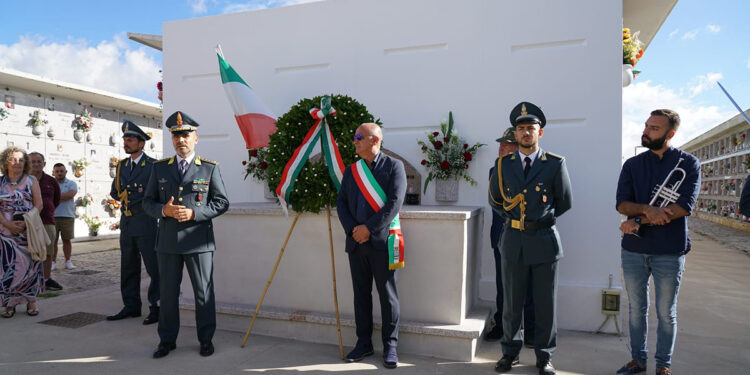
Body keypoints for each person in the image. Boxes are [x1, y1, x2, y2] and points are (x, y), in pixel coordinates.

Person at [489, 102, 572, 375]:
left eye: (531, 128)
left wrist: (537, 220)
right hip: (513, 239)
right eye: (521, 129)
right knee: (512, 304)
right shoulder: (503, 164)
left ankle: (545, 356)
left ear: (540, 132)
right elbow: (496, 200)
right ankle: (509, 353)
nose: (526, 133)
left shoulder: (555, 164)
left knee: (545, 303)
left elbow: (564, 201)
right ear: (515, 133)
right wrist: (518, 220)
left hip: (544, 239)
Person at [615, 109, 700, 375]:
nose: (646, 131)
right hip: (634, 250)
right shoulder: (632, 165)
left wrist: (639, 221)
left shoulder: (689, 164)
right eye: (646, 125)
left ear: (669, 134)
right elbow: (622, 203)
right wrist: (645, 209)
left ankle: (663, 365)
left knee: (666, 313)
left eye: (654, 128)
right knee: (636, 310)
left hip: (669, 250)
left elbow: (684, 207)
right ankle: (638, 361)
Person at [143, 111, 229, 358]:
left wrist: (194, 214)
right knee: (168, 296)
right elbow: (147, 202)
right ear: (172, 139)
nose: (181, 140)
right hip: (168, 243)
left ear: (196, 138)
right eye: (176, 136)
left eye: (186, 135)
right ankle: (167, 341)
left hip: (199, 242)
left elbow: (222, 203)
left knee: (204, 294)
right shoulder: (159, 169)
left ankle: (205, 339)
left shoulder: (209, 169)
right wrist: (164, 210)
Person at [336, 123, 407, 369]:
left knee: (388, 297)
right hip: (357, 243)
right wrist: (354, 231)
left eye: (358, 137)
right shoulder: (351, 170)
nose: (354, 141)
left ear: (374, 140)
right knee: (361, 296)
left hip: (382, 242)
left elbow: (394, 203)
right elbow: (342, 203)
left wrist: (369, 229)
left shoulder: (394, 166)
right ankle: (363, 343)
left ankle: (390, 346)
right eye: (354, 137)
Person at [485, 127, 536, 346]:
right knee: (503, 283)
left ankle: (531, 329)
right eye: (501, 145)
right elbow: (496, 204)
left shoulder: (534, 171)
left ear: (517, 148)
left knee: (530, 286)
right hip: (503, 235)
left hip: (529, 236)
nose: (501, 149)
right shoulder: (493, 171)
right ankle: (502, 324)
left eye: (506, 145)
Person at [106, 120, 161, 325]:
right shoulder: (121, 166)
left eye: (130, 140)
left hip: (146, 220)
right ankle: (131, 306)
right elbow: (115, 191)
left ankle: (156, 306)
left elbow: (158, 193)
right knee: (128, 266)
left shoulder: (153, 166)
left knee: (153, 267)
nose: (126, 143)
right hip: (127, 222)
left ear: (141, 143)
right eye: (125, 139)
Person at [0, 147, 44, 317]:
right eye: (13, 159)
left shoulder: (31, 180)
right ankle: (9, 303)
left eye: (21, 160)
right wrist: (7, 224)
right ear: (5, 162)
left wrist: (26, 222)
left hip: (27, 230)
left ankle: (31, 301)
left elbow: (39, 204)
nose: (17, 163)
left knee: (30, 266)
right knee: (7, 267)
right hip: (4, 232)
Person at [28, 152, 62, 292]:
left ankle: (46, 279)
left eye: (39, 161)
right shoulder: (24, 180)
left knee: (48, 252)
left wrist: (48, 209)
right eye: (33, 161)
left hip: (47, 220)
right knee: (30, 252)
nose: (36, 164)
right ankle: (30, 281)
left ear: (44, 164)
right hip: (29, 222)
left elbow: (56, 200)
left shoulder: (51, 181)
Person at [52, 163, 78, 273]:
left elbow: (70, 195)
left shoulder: (72, 183)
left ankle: (68, 261)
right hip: (52, 216)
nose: (59, 173)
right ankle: (52, 262)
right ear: (53, 172)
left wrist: (54, 197)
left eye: (61, 171)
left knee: (66, 240)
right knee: (52, 241)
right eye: (57, 171)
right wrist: (61, 196)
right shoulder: (50, 184)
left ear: (66, 172)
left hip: (67, 216)